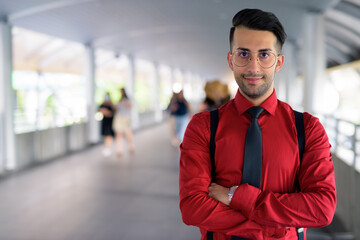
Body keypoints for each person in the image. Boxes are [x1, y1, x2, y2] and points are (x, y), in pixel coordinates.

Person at [179, 8, 336, 240]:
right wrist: (275, 227)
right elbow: (193, 207)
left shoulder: (308, 129)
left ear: (279, 62)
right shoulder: (203, 127)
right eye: (243, 54)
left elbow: (322, 208)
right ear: (230, 60)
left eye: (264, 55)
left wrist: (236, 197)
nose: (253, 67)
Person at [113, 88, 135, 156]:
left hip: (126, 118)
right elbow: (116, 108)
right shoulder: (119, 100)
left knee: (127, 133)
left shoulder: (128, 100)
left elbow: (131, 107)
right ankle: (119, 149)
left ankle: (131, 145)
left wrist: (125, 103)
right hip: (119, 118)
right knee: (118, 134)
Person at [99, 92, 115, 157]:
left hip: (110, 122)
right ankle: (107, 147)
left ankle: (108, 148)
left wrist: (106, 112)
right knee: (106, 135)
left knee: (109, 135)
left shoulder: (111, 104)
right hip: (104, 122)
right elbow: (100, 110)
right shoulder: (103, 104)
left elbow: (112, 113)